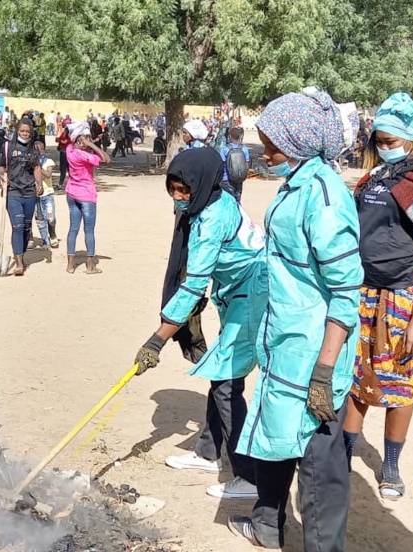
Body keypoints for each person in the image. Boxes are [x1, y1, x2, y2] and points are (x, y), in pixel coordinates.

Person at [226, 88, 363, 552]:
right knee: (277, 434)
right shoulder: (298, 182)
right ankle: (267, 524)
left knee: (319, 467)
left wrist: (324, 371)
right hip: (286, 346)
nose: (265, 154)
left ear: (301, 143)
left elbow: (346, 292)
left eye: (273, 145)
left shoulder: (325, 197)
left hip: (314, 356)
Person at [133, 148, 266, 500]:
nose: (178, 198)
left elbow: (194, 284)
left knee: (226, 383)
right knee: (221, 374)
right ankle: (208, 452)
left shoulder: (211, 219)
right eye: (173, 189)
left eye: (184, 191)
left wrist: (156, 341)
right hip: (235, 294)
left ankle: (250, 477)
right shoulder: (213, 198)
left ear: (202, 184)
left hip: (252, 294)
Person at [342, 92, 413, 501]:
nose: (383, 147)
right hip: (362, 292)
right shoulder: (373, 178)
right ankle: (346, 455)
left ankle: (390, 465)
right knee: (357, 379)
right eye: (379, 141)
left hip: (402, 297)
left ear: (411, 137)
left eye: (391, 141)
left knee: (397, 382)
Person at [64, 122, 111, 274]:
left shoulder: (69, 150)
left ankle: (70, 265)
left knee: (73, 229)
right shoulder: (84, 155)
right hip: (86, 194)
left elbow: (73, 142)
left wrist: (86, 142)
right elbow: (106, 159)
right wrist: (91, 144)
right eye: (86, 137)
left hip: (71, 192)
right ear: (80, 139)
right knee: (89, 230)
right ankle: (90, 266)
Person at [0, 119, 43, 276]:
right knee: (17, 226)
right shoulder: (8, 147)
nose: (25, 134)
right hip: (13, 192)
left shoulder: (34, 148)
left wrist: (39, 184)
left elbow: (37, 168)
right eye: (23, 131)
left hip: (29, 192)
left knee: (25, 227)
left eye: (28, 132)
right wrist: (2, 176)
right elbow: (2, 166)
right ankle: (19, 263)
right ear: (17, 131)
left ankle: (21, 254)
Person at [34, 141, 59, 248]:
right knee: (40, 218)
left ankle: (53, 235)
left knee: (50, 217)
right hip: (36, 196)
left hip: (48, 194)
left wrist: (38, 166)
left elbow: (48, 175)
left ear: (43, 151)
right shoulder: (30, 163)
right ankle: (45, 240)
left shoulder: (48, 162)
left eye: (39, 151)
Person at [219, 127, 250, 201]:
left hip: (226, 179)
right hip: (239, 179)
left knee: (228, 201)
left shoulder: (225, 149)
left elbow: (221, 164)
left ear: (229, 136)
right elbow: (247, 163)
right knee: (237, 199)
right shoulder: (244, 148)